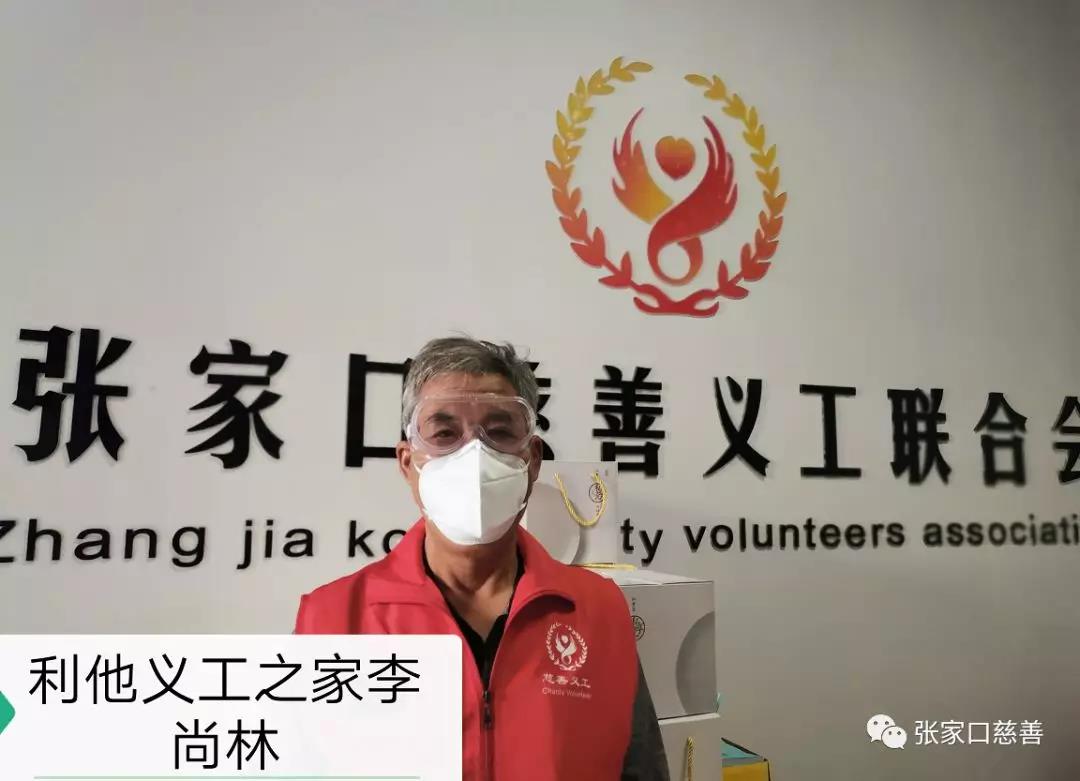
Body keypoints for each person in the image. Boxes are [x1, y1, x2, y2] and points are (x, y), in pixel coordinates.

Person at [295, 336, 669, 780]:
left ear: (532, 461)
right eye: (445, 433)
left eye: (500, 432)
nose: (474, 454)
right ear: (407, 463)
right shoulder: (332, 621)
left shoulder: (599, 612)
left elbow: (642, 770)